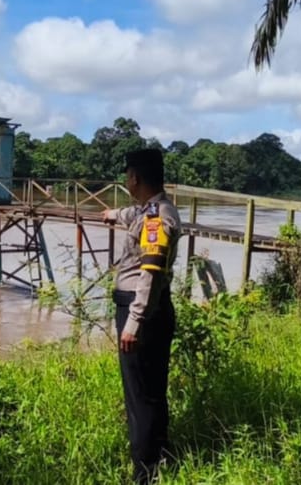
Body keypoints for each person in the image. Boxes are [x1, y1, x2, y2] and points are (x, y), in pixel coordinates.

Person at [101, 148, 181, 484]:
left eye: (127, 175)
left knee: (139, 396)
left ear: (134, 177)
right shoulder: (154, 209)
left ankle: (144, 474)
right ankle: (162, 457)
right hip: (155, 308)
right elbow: (132, 213)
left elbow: (150, 273)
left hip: (141, 309)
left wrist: (133, 323)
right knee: (153, 389)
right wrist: (113, 214)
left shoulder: (156, 219)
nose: (126, 180)